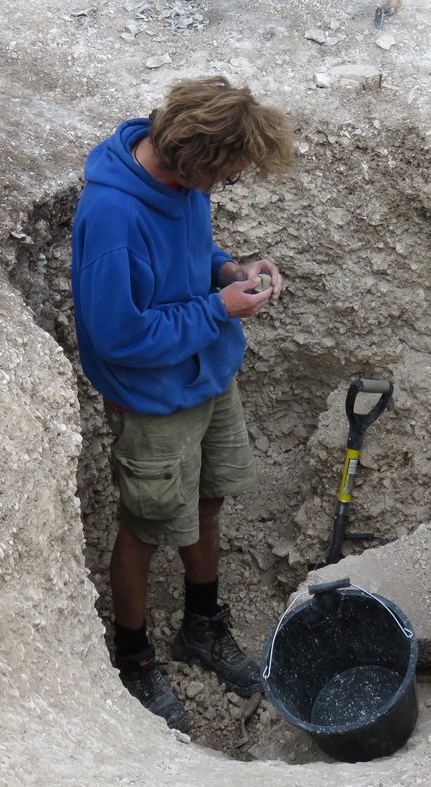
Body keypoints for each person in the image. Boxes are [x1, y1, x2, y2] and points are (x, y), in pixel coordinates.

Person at [70, 76, 298, 732]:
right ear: (194, 160)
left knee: (209, 500)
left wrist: (228, 271)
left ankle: (203, 625)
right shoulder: (112, 216)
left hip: (207, 373)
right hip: (152, 398)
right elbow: (120, 336)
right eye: (225, 175)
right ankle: (135, 658)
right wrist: (219, 307)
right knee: (144, 531)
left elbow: (195, 254)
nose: (224, 186)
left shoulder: (183, 180)